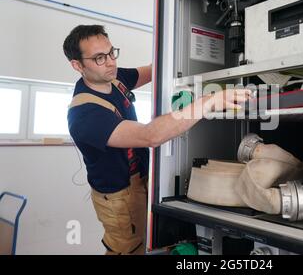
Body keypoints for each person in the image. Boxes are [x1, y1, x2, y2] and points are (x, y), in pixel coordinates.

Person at [63, 25, 251, 255]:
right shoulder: (84, 114)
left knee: (150, 241)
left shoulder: (114, 78)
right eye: (99, 58)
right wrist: (207, 102)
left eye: (112, 52)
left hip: (141, 181)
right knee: (129, 249)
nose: (111, 62)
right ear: (77, 65)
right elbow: (149, 135)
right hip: (118, 197)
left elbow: (156, 69)